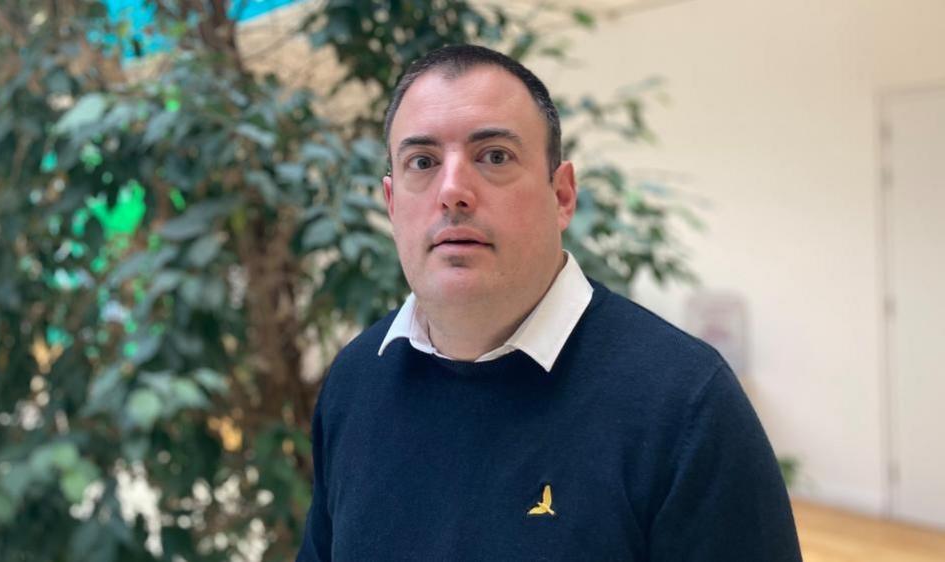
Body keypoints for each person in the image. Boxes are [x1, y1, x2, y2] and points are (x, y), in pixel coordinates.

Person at [297, 44, 801, 561]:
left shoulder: (687, 406)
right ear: (391, 203)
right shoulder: (355, 381)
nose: (452, 191)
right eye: (421, 162)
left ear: (561, 195)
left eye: (494, 156)